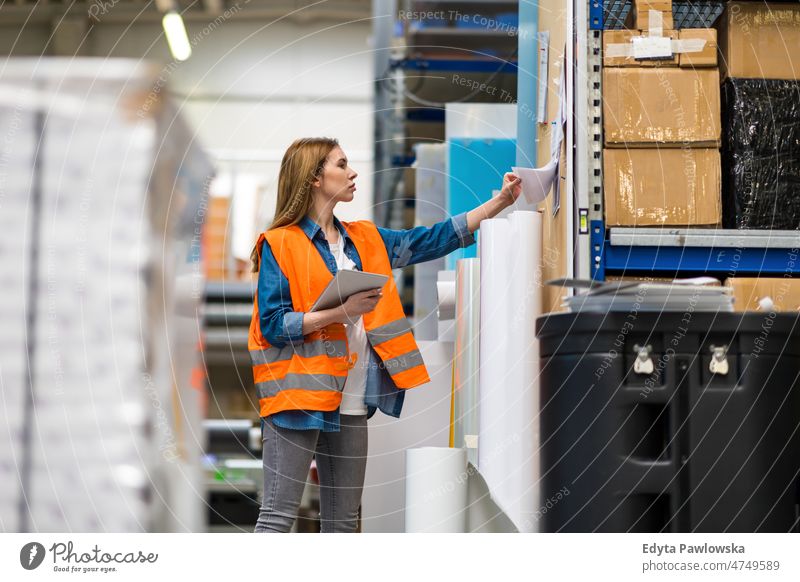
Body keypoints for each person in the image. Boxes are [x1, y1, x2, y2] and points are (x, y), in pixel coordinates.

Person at [249, 137, 522, 533]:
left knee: (344, 524)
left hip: (352, 400)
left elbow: (429, 240)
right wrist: (338, 314)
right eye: (342, 164)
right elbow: (273, 325)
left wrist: (498, 204)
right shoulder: (280, 243)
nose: (352, 172)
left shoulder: (364, 238)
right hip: (298, 400)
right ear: (314, 177)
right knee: (277, 519)